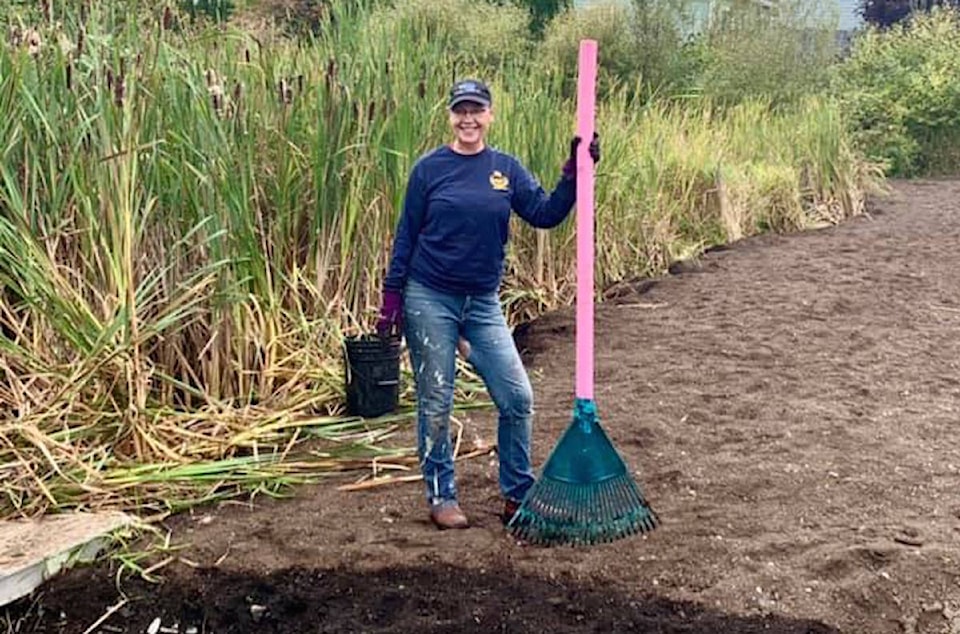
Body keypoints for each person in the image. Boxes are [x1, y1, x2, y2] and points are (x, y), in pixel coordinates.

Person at [376, 78, 600, 530]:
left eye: (477, 110)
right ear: (450, 116)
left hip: (481, 303)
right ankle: (442, 496)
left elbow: (545, 214)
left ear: (490, 115)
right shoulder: (428, 170)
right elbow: (407, 234)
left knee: (517, 397)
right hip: (429, 296)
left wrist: (574, 175)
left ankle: (517, 495)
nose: (469, 118)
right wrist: (392, 296)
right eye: (461, 110)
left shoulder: (506, 169)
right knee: (436, 399)